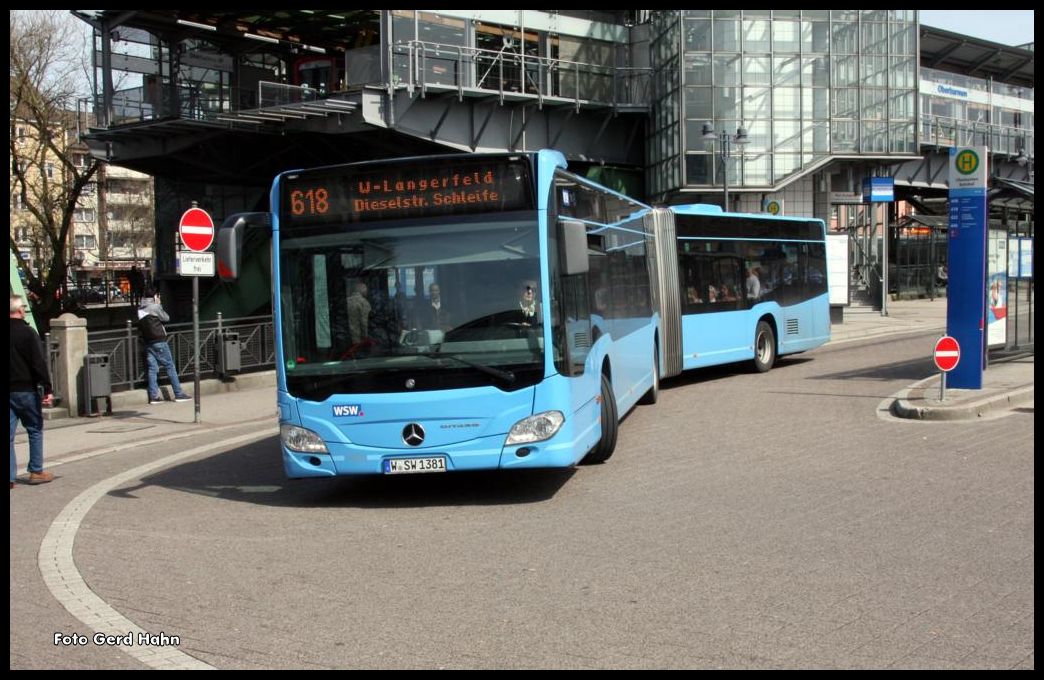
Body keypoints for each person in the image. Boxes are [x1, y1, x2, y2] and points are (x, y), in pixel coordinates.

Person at [10, 295, 55, 487]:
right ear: (20, 311)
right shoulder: (28, 333)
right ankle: (36, 471)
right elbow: (38, 362)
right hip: (26, 389)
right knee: (34, 429)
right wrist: (47, 388)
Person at [137, 288, 191, 404]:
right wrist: (159, 305)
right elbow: (166, 318)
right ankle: (178, 393)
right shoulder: (154, 307)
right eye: (157, 295)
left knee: (152, 368)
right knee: (170, 366)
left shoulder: (140, 309)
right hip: (159, 341)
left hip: (148, 342)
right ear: (154, 297)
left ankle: (153, 396)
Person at [345, 282, 371, 346]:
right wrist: (366, 337)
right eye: (366, 290)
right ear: (363, 290)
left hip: (345, 336)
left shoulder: (346, 300)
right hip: (357, 338)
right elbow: (364, 322)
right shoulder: (364, 302)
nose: (367, 292)